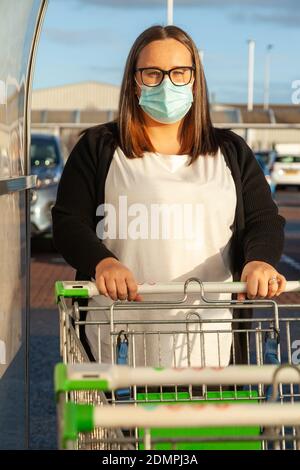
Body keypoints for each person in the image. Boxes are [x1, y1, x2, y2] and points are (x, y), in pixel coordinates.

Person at [52, 25, 286, 367]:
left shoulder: (230, 152)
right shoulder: (99, 148)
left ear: (195, 80)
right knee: (117, 421)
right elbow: (69, 222)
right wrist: (103, 262)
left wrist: (259, 260)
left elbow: (262, 220)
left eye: (179, 72)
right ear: (134, 81)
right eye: (152, 73)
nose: (166, 83)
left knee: (203, 420)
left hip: (209, 341)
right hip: (116, 337)